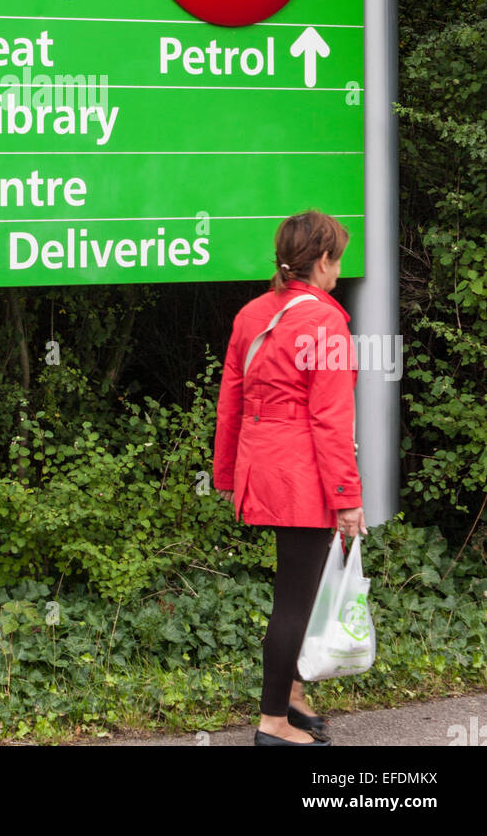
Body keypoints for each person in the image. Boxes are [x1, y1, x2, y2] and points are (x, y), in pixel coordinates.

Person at [212, 210, 367, 747]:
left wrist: (228, 472)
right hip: (303, 473)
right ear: (322, 260)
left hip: (262, 466)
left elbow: (230, 399)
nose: (338, 271)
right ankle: (273, 723)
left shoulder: (251, 314)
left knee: (298, 588)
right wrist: (347, 497)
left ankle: (293, 696)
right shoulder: (324, 321)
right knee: (295, 599)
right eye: (337, 259)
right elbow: (331, 418)